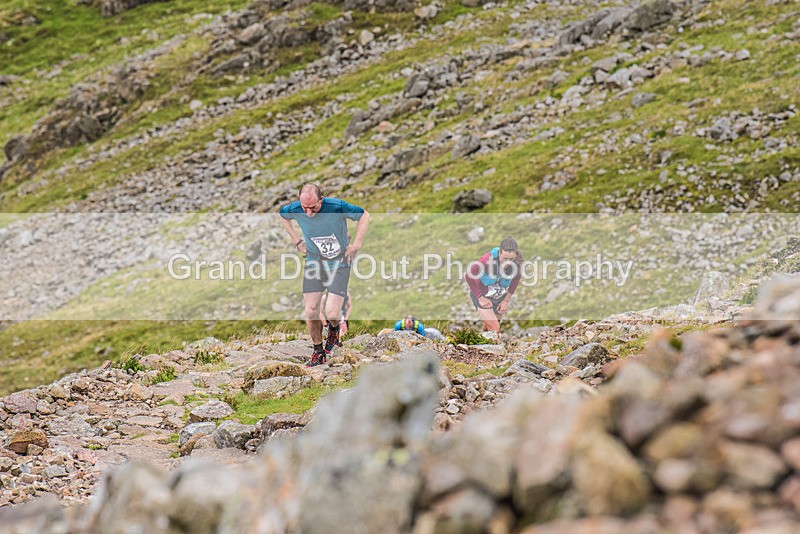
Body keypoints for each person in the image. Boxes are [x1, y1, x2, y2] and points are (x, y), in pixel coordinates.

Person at [279, 183, 370, 366]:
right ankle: (318, 351)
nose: (308, 213)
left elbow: (364, 215)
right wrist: (297, 241)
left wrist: (357, 244)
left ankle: (334, 331)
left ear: (321, 199)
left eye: (313, 207)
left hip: (340, 262)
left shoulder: (337, 206)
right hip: (314, 261)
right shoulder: (295, 209)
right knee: (311, 310)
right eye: (304, 208)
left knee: (332, 312)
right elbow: (282, 215)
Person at [465, 236, 523, 338]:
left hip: (499, 296)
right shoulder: (486, 260)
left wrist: (505, 301)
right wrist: (480, 298)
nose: (508, 262)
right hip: (483, 295)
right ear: (499, 253)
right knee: (495, 330)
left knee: (489, 329)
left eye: (511, 259)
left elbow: (515, 280)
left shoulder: (517, 262)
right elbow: (468, 276)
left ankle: (481, 345)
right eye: (505, 258)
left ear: (516, 255)